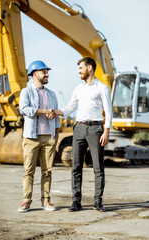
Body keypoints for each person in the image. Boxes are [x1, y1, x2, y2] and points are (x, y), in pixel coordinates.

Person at [53, 57, 112, 212]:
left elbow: (109, 112)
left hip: (95, 129)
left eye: (81, 68)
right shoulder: (78, 88)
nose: (79, 71)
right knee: (76, 166)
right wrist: (56, 112)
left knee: (98, 168)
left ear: (90, 68)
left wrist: (106, 131)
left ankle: (98, 201)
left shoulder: (102, 88)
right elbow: (69, 108)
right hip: (79, 128)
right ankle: (76, 201)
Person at [18, 60, 60, 213]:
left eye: (47, 72)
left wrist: (56, 135)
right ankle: (26, 201)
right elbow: (24, 109)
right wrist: (44, 111)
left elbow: (55, 117)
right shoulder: (26, 92)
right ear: (35, 74)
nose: (47, 74)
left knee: (47, 171)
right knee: (28, 171)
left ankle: (46, 201)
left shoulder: (52, 94)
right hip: (31, 137)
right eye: (44, 72)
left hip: (49, 137)